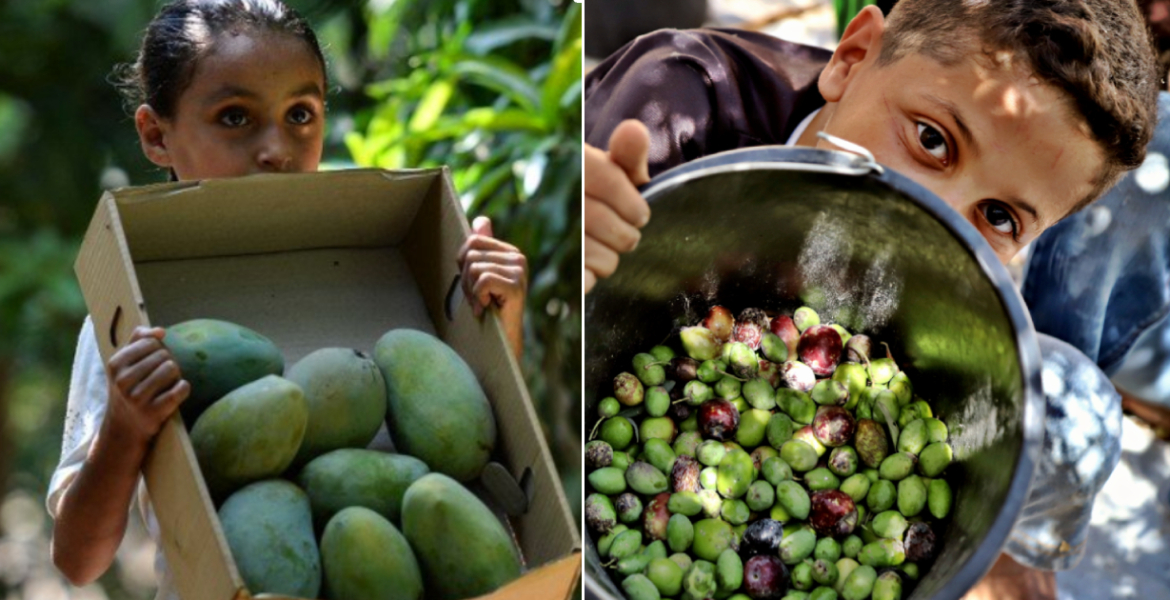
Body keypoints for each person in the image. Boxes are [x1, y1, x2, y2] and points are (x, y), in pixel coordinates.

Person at [582, 1, 1159, 598]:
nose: (929, 218)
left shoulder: (943, 293)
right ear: (852, 58)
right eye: (932, 140)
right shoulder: (678, 103)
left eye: (997, 216)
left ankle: (1011, 558)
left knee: (1073, 409)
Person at [46, 0, 528, 595]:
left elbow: (479, 450)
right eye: (234, 117)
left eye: (301, 113)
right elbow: (77, 560)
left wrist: (497, 317)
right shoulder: (131, 322)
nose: (276, 147)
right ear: (155, 134)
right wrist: (124, 429)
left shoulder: (378, 254)